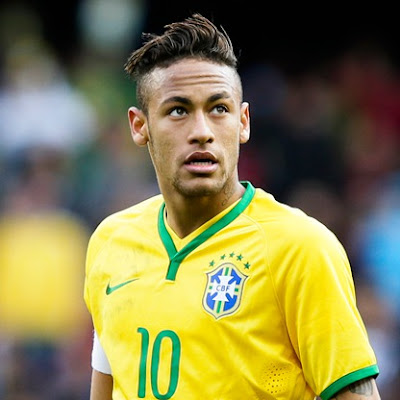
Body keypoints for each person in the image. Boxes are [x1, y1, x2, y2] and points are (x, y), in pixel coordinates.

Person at [83, 13, 381, 400]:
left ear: (243, 122)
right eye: (178, 110)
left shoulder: (301, 248)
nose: (202, 131)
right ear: (140, 126)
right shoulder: (110, 241)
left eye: (219, 109)